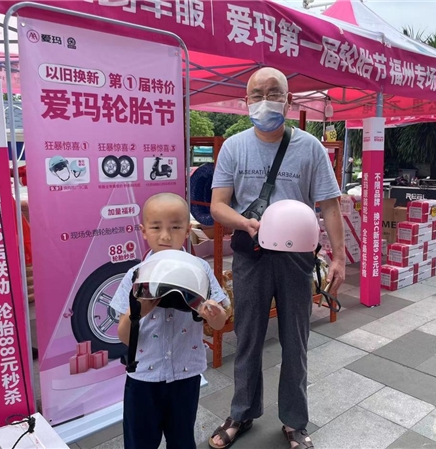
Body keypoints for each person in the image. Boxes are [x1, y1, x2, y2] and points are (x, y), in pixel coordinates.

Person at [208, 67, 345, 449]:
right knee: (248, 337)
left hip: (297, 258)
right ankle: (241, 413)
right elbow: (218, 206)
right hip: (251, 255)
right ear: (245, 101)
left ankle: (295, 422)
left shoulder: (310, 147)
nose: (264, 101)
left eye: (273, 93)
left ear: (288, 100)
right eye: (256, 94)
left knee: (295, 340)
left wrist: (339, 258)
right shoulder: (234, 147)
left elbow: (330, 205)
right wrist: (244, 222)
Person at [110, 193, 230, 449]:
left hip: (186, 374)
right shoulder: (135, 275)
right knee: (139, 442)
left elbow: (220, 323)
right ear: (143, 231)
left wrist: (214, 313)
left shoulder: (200, 269)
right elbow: (123, 335)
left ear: (187, 231)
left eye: (175, 227)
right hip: (143, 375)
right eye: (156, 227)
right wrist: (138, 311)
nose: (165, 236)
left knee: (182, 439)